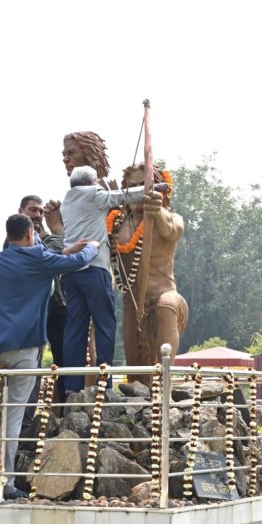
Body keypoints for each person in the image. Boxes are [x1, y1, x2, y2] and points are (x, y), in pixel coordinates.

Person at [0, 213, 99, 499]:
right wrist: (92, 246)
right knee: (12, 418)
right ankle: (6, 484)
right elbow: (76, 263)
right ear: (29, 234)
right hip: (26, 350)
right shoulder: (38, 259)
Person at [59, 165, 151, 393]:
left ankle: (72, 388)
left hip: (71, 273)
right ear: (92, 182)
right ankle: (104, 385)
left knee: (75, 330)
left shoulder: (67, 201)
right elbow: (127, 196)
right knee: (105, 326)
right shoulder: (94, 195)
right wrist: (156, 186)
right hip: (94, 270)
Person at [109, 163, 188, 385]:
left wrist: (156, 210)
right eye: (131, 186)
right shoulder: (117, 224)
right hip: (133, 304)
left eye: (143, 185)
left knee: (166, 305)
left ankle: (165, 379)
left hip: (166, 298)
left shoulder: (170, 218)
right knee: (137, 374)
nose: (137, 191)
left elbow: (172, 230)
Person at [4, 195, 70, 415]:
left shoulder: (47, 238)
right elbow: (49, 259)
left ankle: (64, 414)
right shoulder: (13, 242)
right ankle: (26, 422)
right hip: (30, 313)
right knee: (30, 365)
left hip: (56, 310)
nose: (38, 215)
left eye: (41, 211)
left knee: (63, 363)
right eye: (33, 210)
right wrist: (59, 233)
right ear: (20, 211)